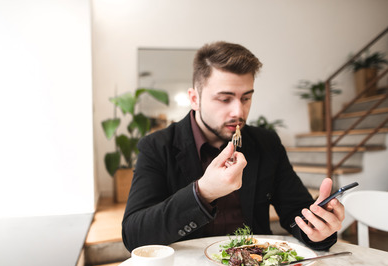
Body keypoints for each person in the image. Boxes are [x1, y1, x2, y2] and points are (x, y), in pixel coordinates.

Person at [122, 41, 344, 252]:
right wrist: (203, 193)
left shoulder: (266, 143)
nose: (239, 112)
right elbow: (134, 235)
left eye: (246, 98)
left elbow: (296, 214)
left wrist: (318, 228)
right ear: (194, 98)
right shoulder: (157, 146)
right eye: (225, 99)